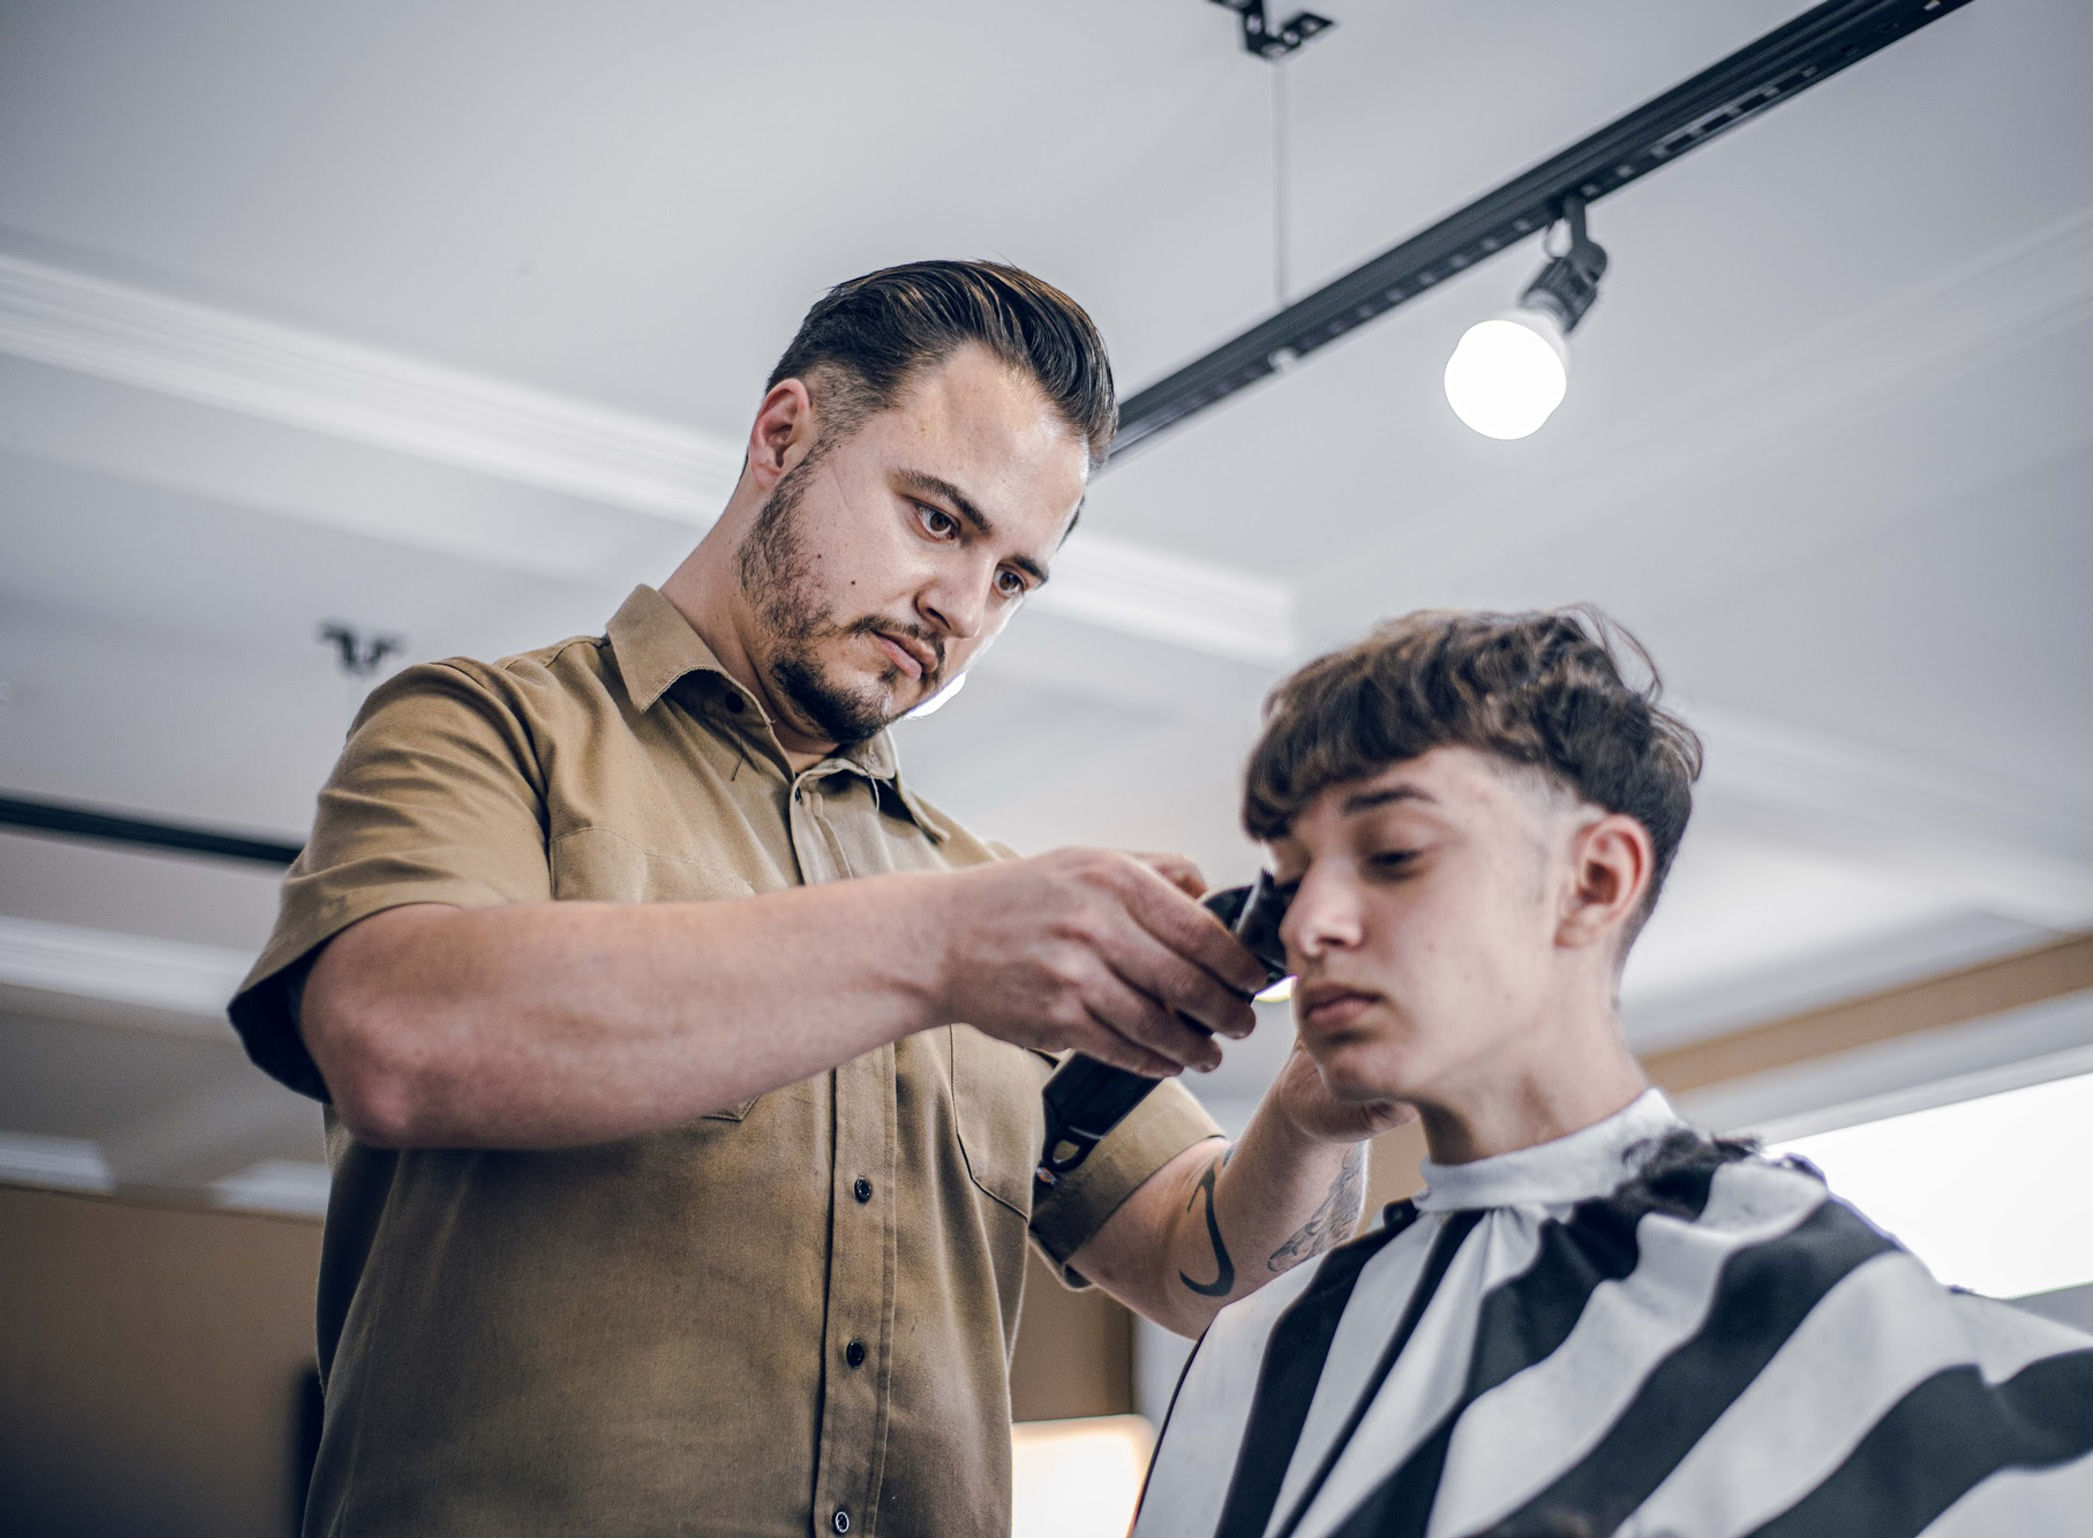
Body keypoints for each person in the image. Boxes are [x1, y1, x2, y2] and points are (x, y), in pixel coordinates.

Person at [227, 260, 1413, 1538]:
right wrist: (938, 950)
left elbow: (1210, 1273)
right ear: (782, 436)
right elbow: (395, 1038)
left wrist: (1320, 1105)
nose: (958, 608)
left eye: (1011, 578)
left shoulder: (984, 899)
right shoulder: (483, 729)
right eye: (938, 520)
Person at [1133, 609, 2093, 1538]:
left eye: (1391, 855)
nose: (1306, 928)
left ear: (1593, 882)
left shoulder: (1826, 1314)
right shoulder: (1265, 1346)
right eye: (1291, 881)